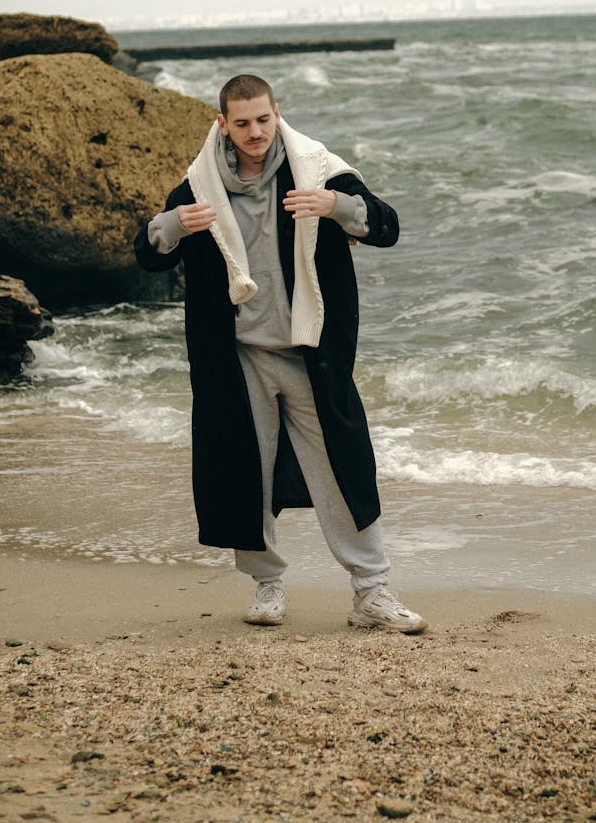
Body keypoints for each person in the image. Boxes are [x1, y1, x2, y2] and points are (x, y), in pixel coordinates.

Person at [135, 73, 426, 634]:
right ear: (222, 123)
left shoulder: (315, 170)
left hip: (311, 354)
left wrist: (337, 205)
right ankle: (267, 585)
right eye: (241, 122)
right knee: (249, 473)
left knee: (345, 469)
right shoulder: (198, 187)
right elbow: (149, 255)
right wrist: (172, 225)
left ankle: (372, 592)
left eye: (262, 119)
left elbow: (386, 227)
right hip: (237, 358)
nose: (254, 131)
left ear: (276, 114)